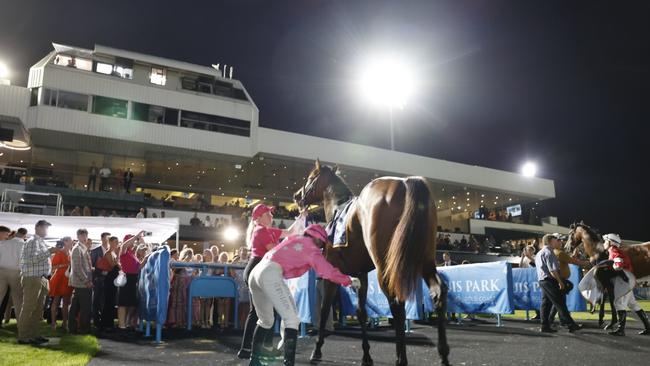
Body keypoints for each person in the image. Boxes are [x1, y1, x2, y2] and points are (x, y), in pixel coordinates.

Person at [248, 224, 358, 366]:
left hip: (256, 273)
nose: (321, 248)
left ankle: (254, 360)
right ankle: (289, 363)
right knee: (292, 320)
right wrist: (348, 280)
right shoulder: (312, 249)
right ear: (317, 239)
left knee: (266, 320)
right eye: (322, 244)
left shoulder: (295, 238)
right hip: (271, 273)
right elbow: (327, 272)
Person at [238, 204, 306, 359]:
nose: (271, 216)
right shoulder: (262, 231)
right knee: (260, 313)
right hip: (260, 268)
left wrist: (301, 217)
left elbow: (290, 232)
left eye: (270, 213)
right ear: (259, 218)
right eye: (267, 213)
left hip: (259, 268)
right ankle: (252, 349)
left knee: (262, 312)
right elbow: (275, 251)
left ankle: (254, 348)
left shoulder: (265, 230)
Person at [601, 233, 650, 336]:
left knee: (618, 303)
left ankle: (621, 330)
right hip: (627, 279)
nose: (604, 243)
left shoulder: (613, 251)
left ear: (610, 242)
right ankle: (648, 327)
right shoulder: (617, 251)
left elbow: (618, 263)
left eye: (605, 241)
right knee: (633, 304)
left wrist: (613, 267)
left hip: (622, 280)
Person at [18, 220, 58, 345]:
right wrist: (49, 251)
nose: (46, 231)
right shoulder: (32, 241)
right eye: (45, 228)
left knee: (38, 309)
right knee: (29, 307)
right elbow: (31, 260)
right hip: (32, 277)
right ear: (37, 228)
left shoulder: (39, 242)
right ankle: (23, 336)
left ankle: (34, 334)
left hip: (40, 278)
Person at [534, 233, 581, 333]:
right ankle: (570, 324)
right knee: (559, 303)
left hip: (543, 280)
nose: (558, 242)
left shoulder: (539, 253)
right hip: (550, 280)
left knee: (546, 304)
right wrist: (560, 281)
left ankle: (545, 325)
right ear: (550, 241)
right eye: (556, 240)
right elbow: (553, 270)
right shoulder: (549, 252)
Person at [548, 234, 591, 325]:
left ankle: (559, 320)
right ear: (554, 242)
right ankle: (557, 320)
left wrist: (573, 256)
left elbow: (569, 259)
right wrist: (588, 263)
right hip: (560, 280)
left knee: (559, 303)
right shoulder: (559, 253)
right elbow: (573, 261)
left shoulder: (556, 252)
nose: (561, 242)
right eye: (558, 241)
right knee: (559, 303)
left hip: (558, 280)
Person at [68, 229, 93, 334]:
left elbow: (85, 266)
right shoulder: (77, 249)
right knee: (84, 307)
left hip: (81, 282)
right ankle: (83, 329)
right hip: (81, 283)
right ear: (78, 236)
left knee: (76, 307)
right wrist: (86, 281)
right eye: (82, 235)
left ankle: (74, 328)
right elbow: (77, 268)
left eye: (85, 235)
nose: (84, 237)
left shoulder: (83, 248)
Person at [117, 233, 143, 329]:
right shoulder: (123, 251)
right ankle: (121, 325)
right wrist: (136, 236)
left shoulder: (133, 254)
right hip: (126, 278)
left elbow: (139, 267)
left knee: (132, 303)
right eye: (131, 240)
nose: (133, 243)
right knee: (123, 303)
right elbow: (124, 245)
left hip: (133, 279)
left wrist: (146, 258)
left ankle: (127, 322)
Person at [0, 226, 25, 325]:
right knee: (18, 300)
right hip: (16, 272)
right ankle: (21, 325)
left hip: (2, 271)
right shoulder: (23, 244)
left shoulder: (3, 243)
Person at [49, 236, 73, 331]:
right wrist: (64, 265)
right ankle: (53, 323)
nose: (72, 242)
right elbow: (53, 267)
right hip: (59, 278)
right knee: (56, 300)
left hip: (67, 279)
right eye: (71, 241)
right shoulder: (59, 252)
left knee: (66, 302)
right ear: (65, 242)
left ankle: (65, 323)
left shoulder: (70, 252)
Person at [91, 232, 111, 330]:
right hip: (98, 279)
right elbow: (91, 266)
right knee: (96, 301)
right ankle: (96, 321)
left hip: (108, 281)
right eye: (107, 238)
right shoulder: (95, 251)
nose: (108, 240)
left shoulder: (111, 251)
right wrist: (100, 272)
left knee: (105, 301)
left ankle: (104, 321)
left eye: (109, 238)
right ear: (102, 239)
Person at [100, 236, 121, 330]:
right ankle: (105, 322)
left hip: (113, 280)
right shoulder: (108, 253)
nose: (117, 244)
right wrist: (118, 256)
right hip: (109, 280)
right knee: (108, 301)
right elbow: (112, 265)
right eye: (115, 242)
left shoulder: (113, 253)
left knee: (111, 301)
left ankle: (109, 322)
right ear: (111, 242)